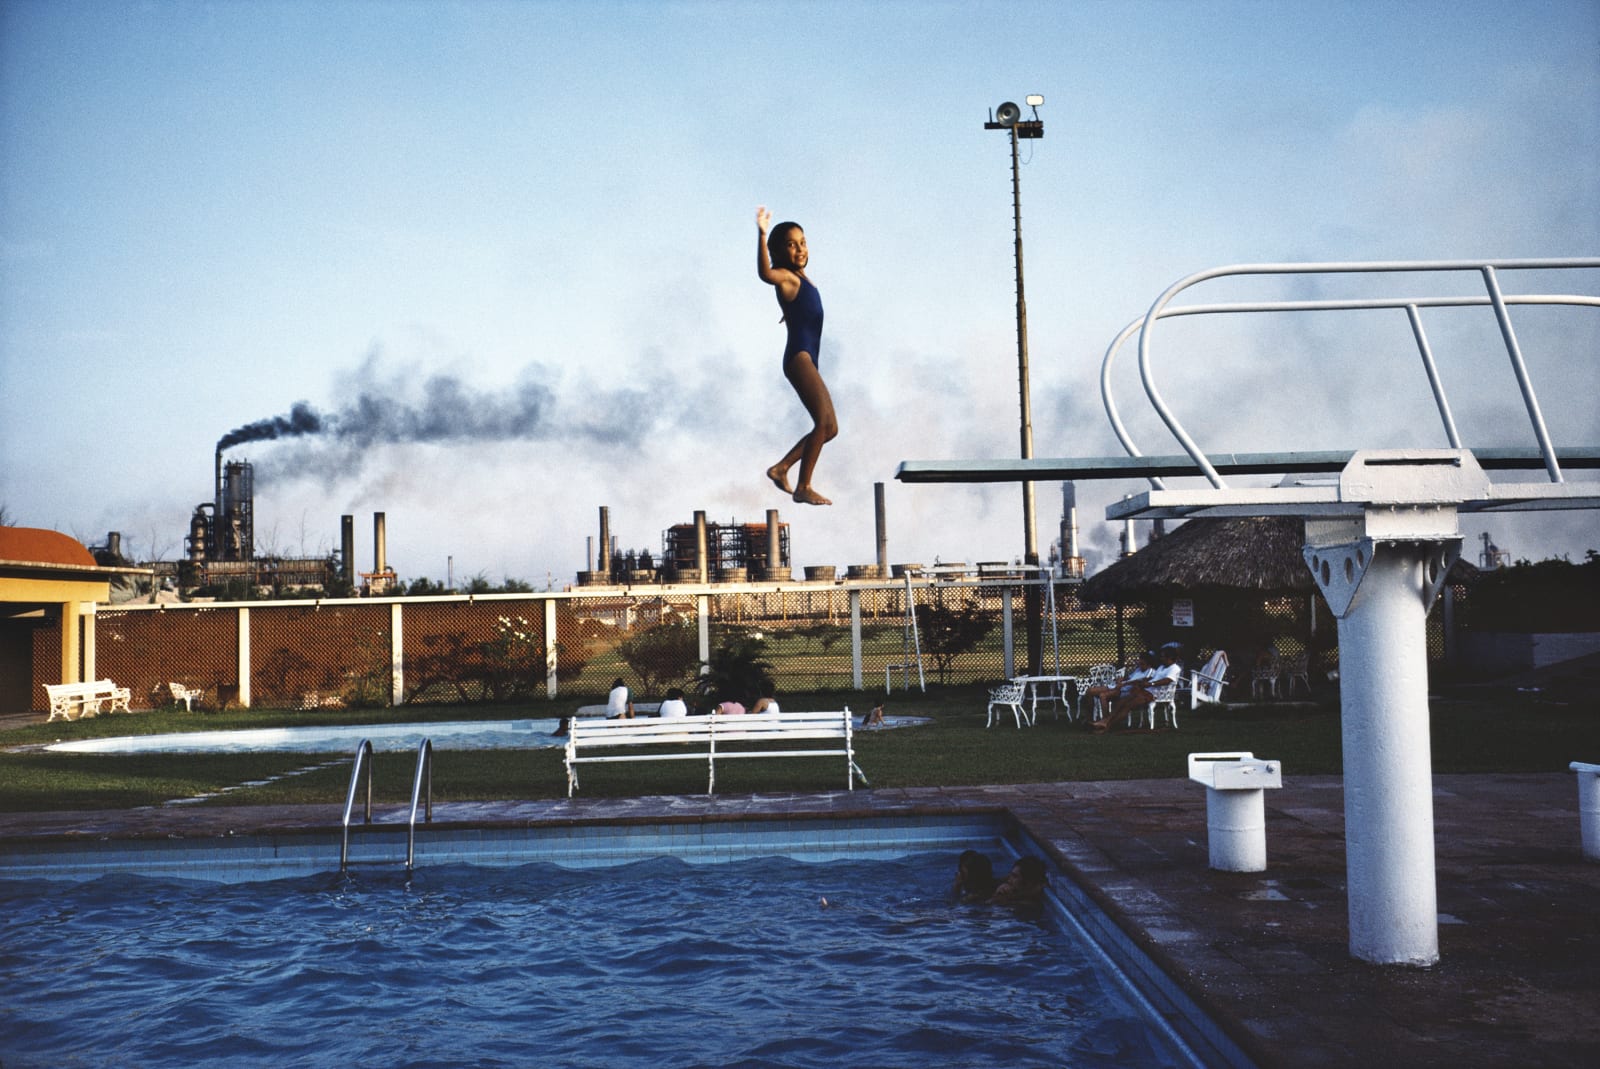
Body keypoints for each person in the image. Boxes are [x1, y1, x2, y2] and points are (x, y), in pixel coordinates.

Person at [756, 206, 837, 506]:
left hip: (806, 358)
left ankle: (781, 468)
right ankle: (803, 486)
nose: (800, 248)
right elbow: (766, 273)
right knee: (823, 423)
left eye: (802, 242)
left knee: (831, 428)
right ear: (779, 251)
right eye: (791, 244)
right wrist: (762, 234)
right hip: (799, 358)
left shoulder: (805, 281)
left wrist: (789, 314)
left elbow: (802, 311)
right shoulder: (788, 279)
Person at [1097, 647, 1183, 732]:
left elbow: (1167, 680)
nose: (1161, 658)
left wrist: (1150, 684)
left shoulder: (1174, 668)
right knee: (1121, 702)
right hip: (1146, 690)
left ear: (1170, 657)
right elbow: (1154, 678)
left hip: (1155, 694)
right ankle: (1106, 722)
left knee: (1127, 705)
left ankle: (1107, 726)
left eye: (1163, 656)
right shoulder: (1161, 667)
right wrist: (1146, 680)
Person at [1084, 651, 1155, 728]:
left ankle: (1105, 721)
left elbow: (1141, 681)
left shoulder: (1151, 672)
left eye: (1142, 664)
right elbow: (1129, 677)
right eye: (1140, 663)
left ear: (1148, 663)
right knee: (1089, 691)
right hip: (1118, 686)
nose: (1140, 666)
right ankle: (1089, 719)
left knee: (1102, 695)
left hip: (1124, 690)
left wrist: (1124, 684)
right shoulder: (1138, 670)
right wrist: (1121, 679)